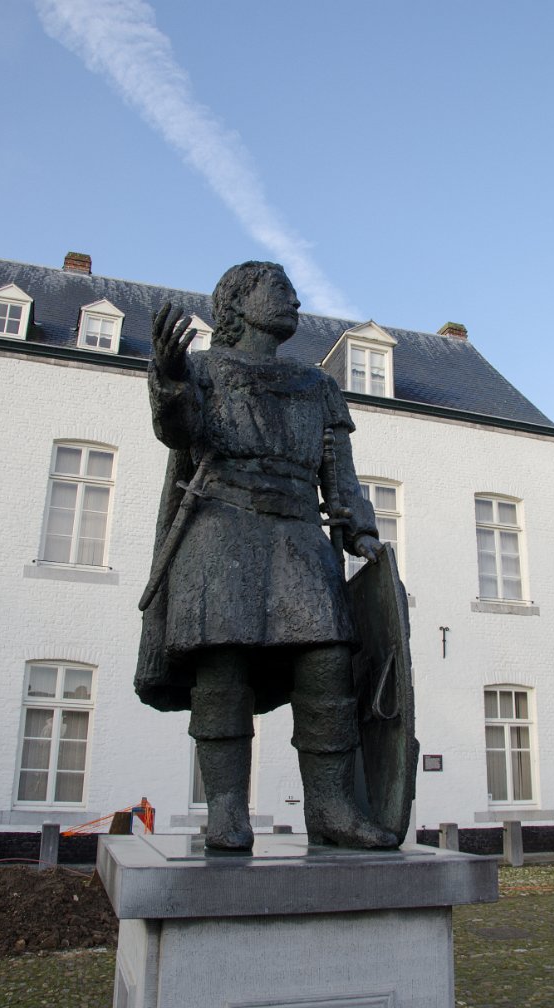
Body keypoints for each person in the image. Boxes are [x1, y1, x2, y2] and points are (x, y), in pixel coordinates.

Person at [134, 261, 398, 851]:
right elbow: (179, 431)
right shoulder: (203, 369)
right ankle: (227, 812)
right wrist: (169, 375)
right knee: (222, 670)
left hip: (299, 535)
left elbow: (341, 476)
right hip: (219, 530)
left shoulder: (317, 385)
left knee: (327, 662)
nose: (294, 300)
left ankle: (331, 807)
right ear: (237, 302)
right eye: (278, 289)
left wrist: (362, 533)